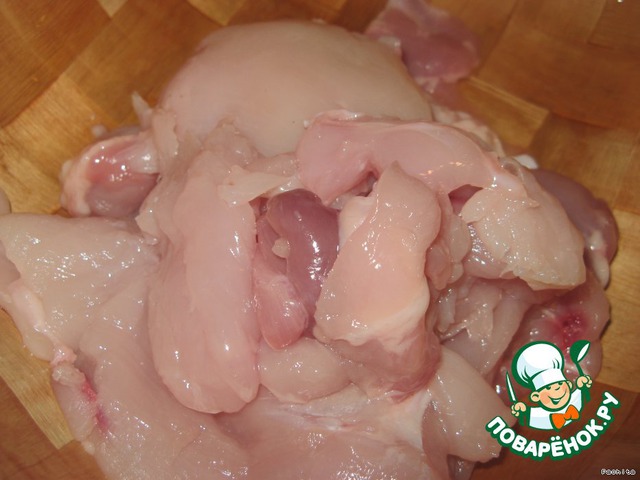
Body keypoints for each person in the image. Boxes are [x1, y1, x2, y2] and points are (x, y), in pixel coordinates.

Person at [510, 341, 593, 430]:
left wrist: (582, 384)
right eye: (549, 388)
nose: (556, 390)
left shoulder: (574, 400)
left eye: (560, 384)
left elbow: (579, 394)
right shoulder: (540, 416)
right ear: (536, 397)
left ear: (568, 385)